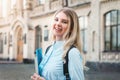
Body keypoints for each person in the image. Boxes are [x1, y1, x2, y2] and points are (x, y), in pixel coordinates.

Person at [31, 7, 85, 80]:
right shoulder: (49, 49)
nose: (58, 24)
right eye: (56, 20)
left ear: (72, 28)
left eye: (64, 22)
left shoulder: (72, 52)